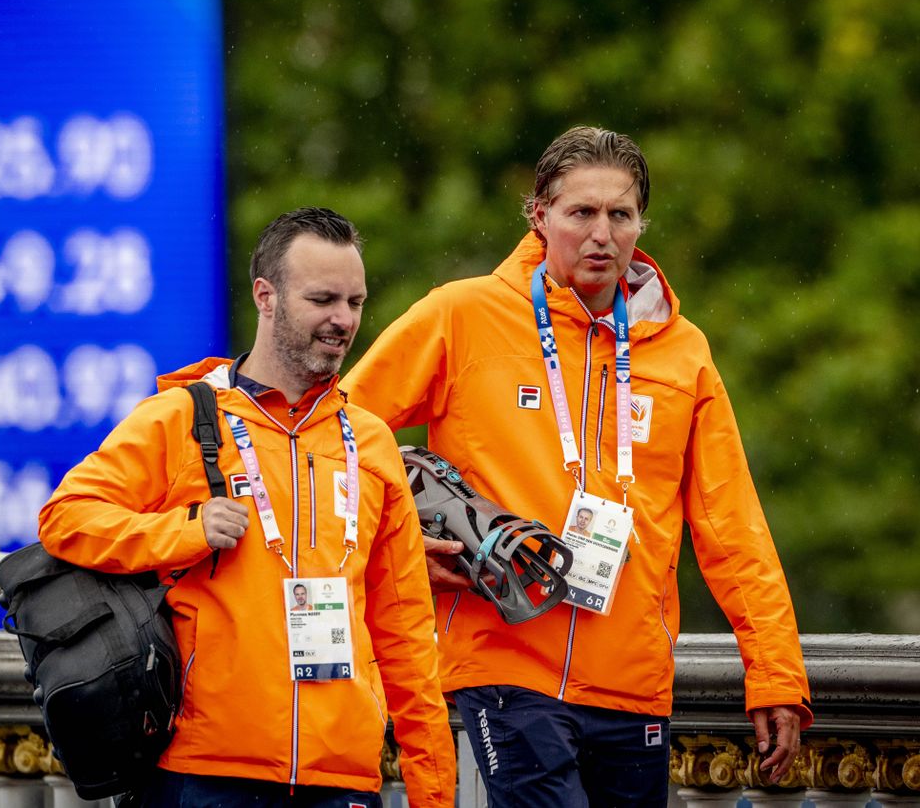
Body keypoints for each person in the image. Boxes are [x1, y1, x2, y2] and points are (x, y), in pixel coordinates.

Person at [343, 127, 813, 807]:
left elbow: (732, 523)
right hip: (504, 658)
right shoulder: (463, 315)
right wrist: (407, 546)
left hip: (633, 677)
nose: (602, 234)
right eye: (580, 213)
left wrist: (774, 672)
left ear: (640, 224)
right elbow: (338, 436)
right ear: (539, 215)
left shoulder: (683, 353)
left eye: (619, 215)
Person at [39, 207, 456, 807]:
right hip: (205, 772)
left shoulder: (371, 441)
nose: (343, 320)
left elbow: (406, 633)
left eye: (355, 302)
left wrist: (435, 793)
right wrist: (185, 531)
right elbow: (66, 517)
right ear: (266, 296)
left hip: (340, 779)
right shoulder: (181, 416)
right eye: (323, 300)